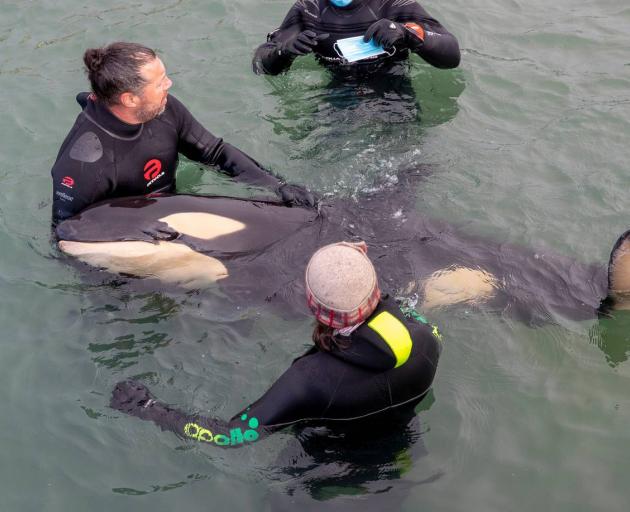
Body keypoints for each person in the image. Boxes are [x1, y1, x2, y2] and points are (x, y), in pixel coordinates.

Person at [110, 241, 443, 447]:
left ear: (313, 307)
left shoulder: (309, 381)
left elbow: (231, 437)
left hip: (326, 475)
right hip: (402, 454)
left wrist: (148, 409)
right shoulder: (423, 334)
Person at [50, 42, 315, 224]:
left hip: (168, 213)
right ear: (130, 99)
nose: (169, 84)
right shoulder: (84, 164)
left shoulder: (165, 109)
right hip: (127, 235)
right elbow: (67, 235)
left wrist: (276, 187)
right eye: (160, 82)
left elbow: (215, 152)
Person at [252, 0, 460, 76]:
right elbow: (260, 65)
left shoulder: (392, 4)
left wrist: (408, 34)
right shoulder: (310, 9)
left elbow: (451, 56)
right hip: (335, 97)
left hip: (393, 95)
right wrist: (285, 51)